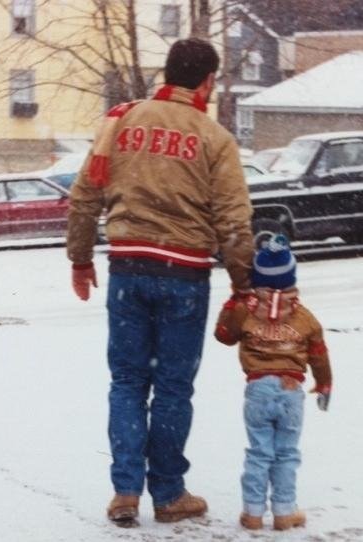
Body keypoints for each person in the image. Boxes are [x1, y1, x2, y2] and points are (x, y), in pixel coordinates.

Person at [66, 38, 254, 526]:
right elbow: (233, 220)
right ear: (208, 82)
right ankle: (168, 494)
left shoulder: (121, 122)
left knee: (127, 381)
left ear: (167, 74)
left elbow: (85, 196)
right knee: (172, 386)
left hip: (128, 270)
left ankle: (125, 492)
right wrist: (243, 282)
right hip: (185, 275)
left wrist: (80, 259)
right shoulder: (214, 139)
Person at [214, 234, 332, 531]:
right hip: (292, 392)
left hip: (258, 390)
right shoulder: (305, 318)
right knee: (287, 454)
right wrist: (324, 384)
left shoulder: (247, 310)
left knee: (259, 452)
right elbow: (318, 354)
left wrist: (233, 302)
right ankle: (283, 511)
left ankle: (253, 512)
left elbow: (223, 335)